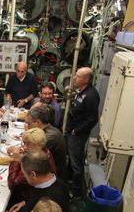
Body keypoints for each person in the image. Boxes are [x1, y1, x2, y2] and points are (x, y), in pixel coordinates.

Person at [64, 67, 100, 198]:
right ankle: (69, 184)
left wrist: (76, 131)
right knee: (71, 161)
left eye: (78, 76)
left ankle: (77, 193)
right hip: (71, 131)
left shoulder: (91, 95)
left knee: (76, 165)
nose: (74, 78)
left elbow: (93, 118)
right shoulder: (82, 91)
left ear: (86, 79)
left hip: (77, 135)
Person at [6, 128, 56, 202]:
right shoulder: (43, 151)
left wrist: (16, 161)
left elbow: (13, 184)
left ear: (39, 145)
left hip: (31, 196)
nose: (24, 147)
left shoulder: (37, 161)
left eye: (28, 144)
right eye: (24, 143)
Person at [25, 104, 68, 180]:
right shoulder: (48, 129)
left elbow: (31, 157)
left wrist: (27, 134)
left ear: (37, 122)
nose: (27, 126)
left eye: (29, 123)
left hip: (53, 178)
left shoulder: (48, 137)